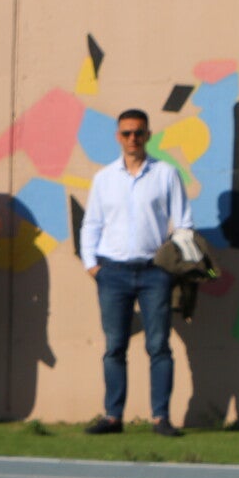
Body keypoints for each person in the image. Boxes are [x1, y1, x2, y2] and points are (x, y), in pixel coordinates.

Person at [79, 108, 192, 436]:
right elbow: (91, 223)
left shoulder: (166, 174)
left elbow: (183, 223)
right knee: (115, 346)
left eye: (138, 133)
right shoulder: (104, 178)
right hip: (112, 272)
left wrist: (174, 267)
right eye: (127, 133)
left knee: (158, 346)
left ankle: (161, 418)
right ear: (118, 136)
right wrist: (92, 266)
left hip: (155, 273)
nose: (133, 139)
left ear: (148, 135)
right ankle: (113, 417)